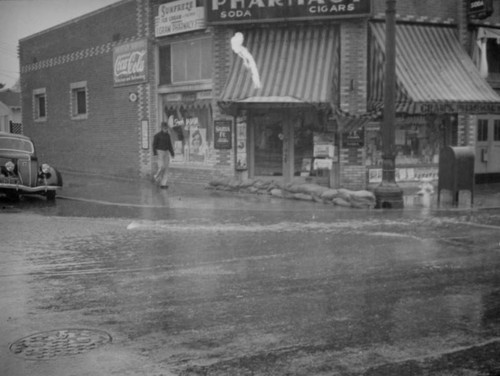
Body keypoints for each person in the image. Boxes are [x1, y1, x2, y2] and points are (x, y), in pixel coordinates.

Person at [152, 122, 175, 188]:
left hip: (166, 152)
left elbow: (170, 145)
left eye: (166, 128)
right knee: (162, 167)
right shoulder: (157, 136)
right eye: (164, 128)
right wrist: (155, 153)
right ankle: (156, 176)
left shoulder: (168, 135)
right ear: (162, 128)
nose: (166, 129)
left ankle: (163, 184)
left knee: (166, 168)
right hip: (160, 152)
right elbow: (154, 145)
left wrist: (172, 153)